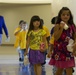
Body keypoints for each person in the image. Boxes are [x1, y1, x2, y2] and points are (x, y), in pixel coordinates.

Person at [48, 7, 76, 75]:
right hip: (60, 50)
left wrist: (74, 49)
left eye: (67, 15)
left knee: (69, 68)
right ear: (60, 16)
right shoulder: (57, 26)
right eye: (63, 15)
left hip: (68, 50)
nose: (65, 16)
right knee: (60, 69)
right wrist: (61, 28)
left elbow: (75, 37)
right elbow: (56, 38)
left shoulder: (72, 26)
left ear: (70, 16)